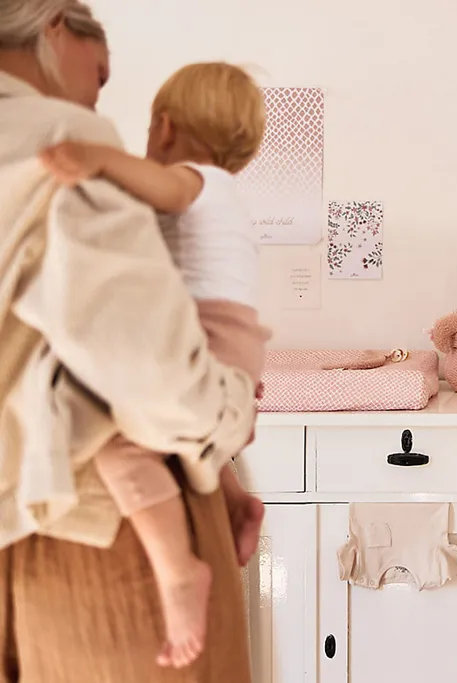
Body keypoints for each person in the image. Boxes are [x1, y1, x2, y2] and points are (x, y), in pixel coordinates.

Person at [0, 2, 257, 682]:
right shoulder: (59, 136)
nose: (95, 96)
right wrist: (226, 425)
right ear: (56, 26)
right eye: (101, 74)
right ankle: (177, 570)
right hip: (91, 532)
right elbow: (146, 370)